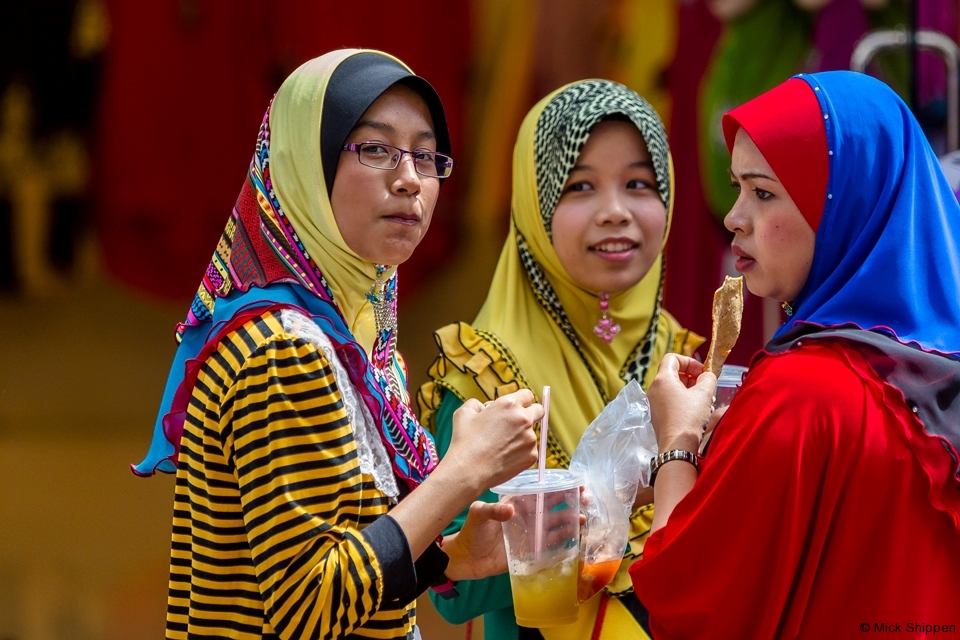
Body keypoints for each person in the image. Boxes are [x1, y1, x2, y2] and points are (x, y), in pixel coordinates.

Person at [132, 49, 545, 640]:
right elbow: (309, 606)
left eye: (426, 155)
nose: (409, 178)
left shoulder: (357, 342)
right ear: (306, 164)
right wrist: (462, 471)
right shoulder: (284, 349)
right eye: (375, 149)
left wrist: (448, 557)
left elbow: (342, 556)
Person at [630, 71, 960, 638]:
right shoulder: (935, 380)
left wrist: (677, 445)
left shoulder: (798, 396)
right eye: (737, 188)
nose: (735, 217)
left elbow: (689, 612)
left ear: (845, 206)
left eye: (762, 192)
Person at [418, 79, 704, 640]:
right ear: (535, 201)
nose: (615, 211)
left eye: (639, 183)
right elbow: (454, 591)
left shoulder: (682, 362)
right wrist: (590, 514)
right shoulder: (485, 376)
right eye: (580, 186)